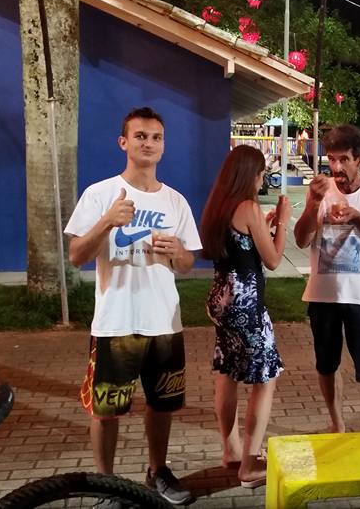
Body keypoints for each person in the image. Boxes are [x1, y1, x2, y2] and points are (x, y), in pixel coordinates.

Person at [64, 107, 199, 505]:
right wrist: (107, 221)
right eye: (140, 136)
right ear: (123, 142)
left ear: (163, 145)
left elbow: (188, 264)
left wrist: (178, 251)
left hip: (164, 323)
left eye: (156, 137)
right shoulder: (100, 194)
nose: (148, 143)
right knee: (106, 411)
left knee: (162, 405)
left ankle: (157, 472)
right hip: (115, 322)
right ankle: (105, 486)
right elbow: (76, 255)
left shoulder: (176, 201)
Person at [294, 124, 360, 432]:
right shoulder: (320, 190)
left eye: (344, 159)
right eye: (331, 159)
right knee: (326, 365)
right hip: (322, 296)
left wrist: (358, 218)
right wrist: (313, 205)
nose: (336, 167)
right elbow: (301, 239)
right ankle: (337, 425)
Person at [199, 145, 291, 488]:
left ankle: (232, 451)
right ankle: (250, 465)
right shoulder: (248, 207)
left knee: (228, 372)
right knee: (265, 380)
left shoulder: (219, 206)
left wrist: (264, 226)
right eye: (261, 173)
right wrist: (282, 221)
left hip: (221, 300)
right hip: (246, 305)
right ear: (250, 175)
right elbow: (274, 260)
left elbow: (241, 245)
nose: (262, 179)